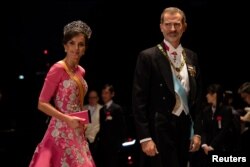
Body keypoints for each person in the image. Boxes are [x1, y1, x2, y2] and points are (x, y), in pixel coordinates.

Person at [132, 7, 202, 167]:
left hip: (185, 128)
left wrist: (198, 132)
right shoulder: (148, 57)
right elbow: (138, 100)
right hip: (159, 129)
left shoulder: (192, 57)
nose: (172, 29)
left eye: (177, 24)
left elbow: (198, 100)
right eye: (168, 24)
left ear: (184, 26)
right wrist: (145, 137)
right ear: (161, 27)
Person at [29, 20, 96, 167]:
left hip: (77, 131)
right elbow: (41, 103)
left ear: (85, 48)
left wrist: (82, 121)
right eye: (72, 43)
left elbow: (76, 102)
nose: (76, 48)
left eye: (81, 44)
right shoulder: (57, 69)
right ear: (65, 46)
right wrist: (66, 119)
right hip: (60, 132)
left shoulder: (81, 71)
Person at [199, 84, 235, 166]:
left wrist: (212, 146)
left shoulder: (226, 110)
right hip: (207, 149)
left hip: (222, 149)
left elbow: (224, 130)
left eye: (208, 93)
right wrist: (204, 144)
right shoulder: (206, 110)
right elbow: (204, 130)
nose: (206, 95)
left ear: (215, 95)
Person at [96, 84, 127, 167]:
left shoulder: (117, 108)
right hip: (104, 145)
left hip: (114, 145)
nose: (103, 95)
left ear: (112, 94)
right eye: (102, 93)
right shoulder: (102, 110)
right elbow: (102, 127)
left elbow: (122, 127)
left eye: (106, 93)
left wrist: (120, 144)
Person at [83, 90, 102, 162]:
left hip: (97, 140)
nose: (92, 100)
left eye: (94, 97)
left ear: (97, 98)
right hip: (85, 140)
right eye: (90, 98)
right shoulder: (83, 108)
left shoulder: (102, 109)